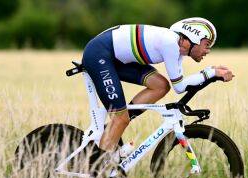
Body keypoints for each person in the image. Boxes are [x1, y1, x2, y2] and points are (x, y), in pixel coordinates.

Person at [82, 17, 235, 166]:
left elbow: (176, 85)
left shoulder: (177, 48)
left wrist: (211, 73)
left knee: (161, 85)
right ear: (194, 37)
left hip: (114, 57)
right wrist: (211, 72)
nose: (208, 51)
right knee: (120, 120)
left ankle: (115, 127)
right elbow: (180, 87)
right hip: (99, 55)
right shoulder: (170, 43)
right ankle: (95, 173)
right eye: (207, 44)